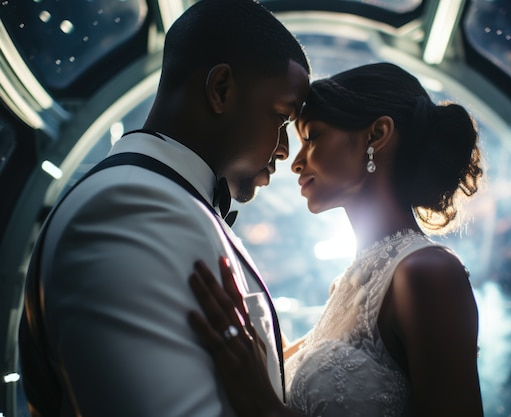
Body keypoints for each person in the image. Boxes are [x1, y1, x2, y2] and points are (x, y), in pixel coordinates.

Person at [18, 0, 310, 416]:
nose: (284, 150)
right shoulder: (123, 209)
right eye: (282, 118)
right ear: (221, 89)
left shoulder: (156, 199)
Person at [186, 62, 485, 417]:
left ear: (376, 135)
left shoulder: (429, 272)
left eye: (311, 137)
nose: (295, 162)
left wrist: (266, 410)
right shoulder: (343, 285)